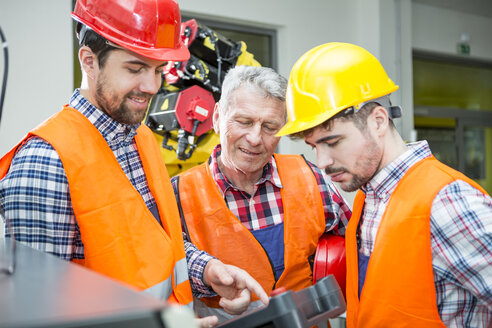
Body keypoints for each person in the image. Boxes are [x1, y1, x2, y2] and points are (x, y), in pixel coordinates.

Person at [0, 1, 268, 326]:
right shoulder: (46, 162)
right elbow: (39, 315)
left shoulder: (141, 137)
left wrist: (208, 270)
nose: (152, 86)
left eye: (158, 70)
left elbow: (155, 245)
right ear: (89, 61)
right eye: (135, 68)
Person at [276, 42, 492, 327]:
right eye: (314, 146)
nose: (323, 161)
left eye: (333, 142)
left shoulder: (447, 201)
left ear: (378, 121)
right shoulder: (371, 197)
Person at [172, 65, 351, 322]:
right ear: (217, 118)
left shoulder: (313, 179)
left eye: (269, 127)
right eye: (244, 122)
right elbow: (166, 275)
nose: (255, 138)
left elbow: (358, 250)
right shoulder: (177, 195)